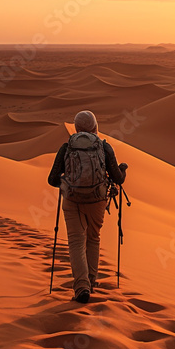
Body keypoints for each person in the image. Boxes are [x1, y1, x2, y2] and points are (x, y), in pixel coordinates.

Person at [47, 110, 127, 303]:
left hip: (72, 200)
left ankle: (81, 287)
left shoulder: (66, 147)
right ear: (95, 126)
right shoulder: (104, 147)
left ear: (76, 127)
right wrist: (123, 169)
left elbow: (52, 179)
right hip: (97, 200)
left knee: (76, 242)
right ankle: (91, 282)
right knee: (93, 238)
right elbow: (118, 178)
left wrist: (68, 183)